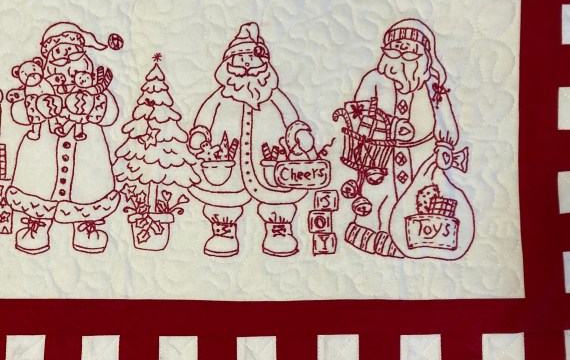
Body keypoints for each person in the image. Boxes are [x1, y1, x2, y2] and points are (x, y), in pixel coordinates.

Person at [187, 22, 316, 258]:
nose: (246, 64)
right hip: (225, 162)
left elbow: (291, 118)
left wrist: (299, 134)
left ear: (264, 63)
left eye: (252, 59)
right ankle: (224, 230)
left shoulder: (274, 95)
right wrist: (199, 135)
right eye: (240, 59)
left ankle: (278, 229)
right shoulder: (221, 96)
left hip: (272, 158)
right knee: (223, 196)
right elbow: (204, 118)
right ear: (228, 63)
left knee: (277, 194)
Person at [343, 17, 459, 257]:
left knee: (419, 199)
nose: (402, 57)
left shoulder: (432, 86)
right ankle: (374, 237)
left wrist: (445, 144)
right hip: (380, 157)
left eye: (410, 51)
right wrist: (388, 126)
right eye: (395, 50)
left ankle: (412, 240)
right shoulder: (374, 79)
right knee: (377, 198)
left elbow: (445, 119)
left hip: (421, 158)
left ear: (424, 55)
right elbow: (357, 113)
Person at [5, 22, 123, 255]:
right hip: (42, 149)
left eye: (72, 52)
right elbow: (18, 113)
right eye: (59, 53)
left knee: (88, 186)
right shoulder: (37, 88)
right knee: (38, 184)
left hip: (87, 148)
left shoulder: (93, 90)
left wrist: (91, 104)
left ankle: (85, 225)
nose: (66, 58)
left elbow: (110, 115)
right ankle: (37, 223)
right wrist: (37, 107)